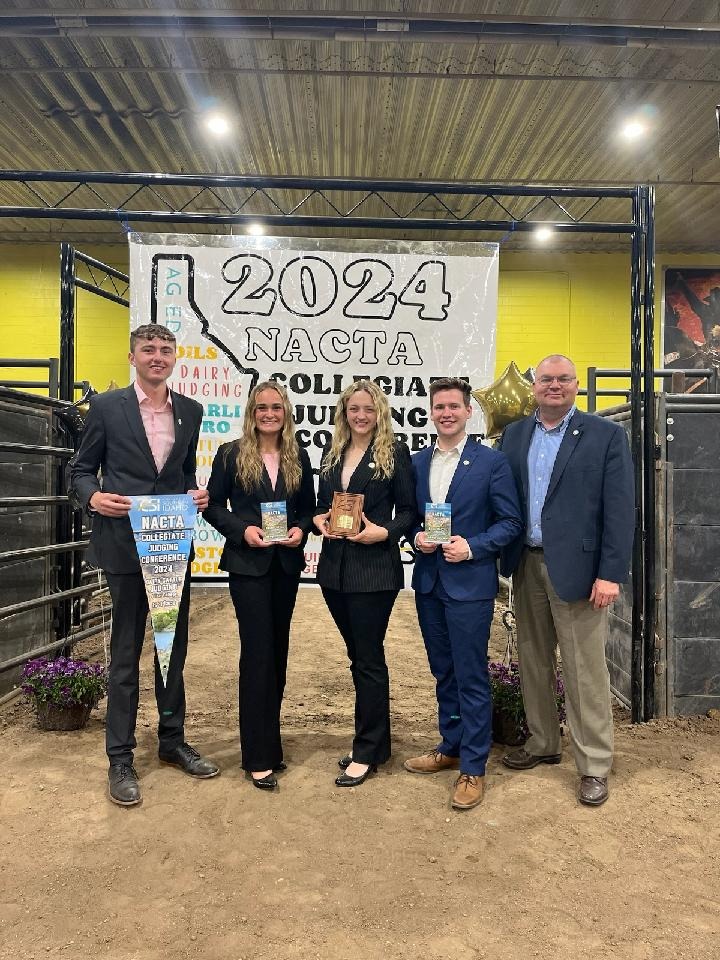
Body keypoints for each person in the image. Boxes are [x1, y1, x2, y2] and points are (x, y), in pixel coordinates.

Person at [68, 322, 217, 807]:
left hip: (171, 547)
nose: (157, 356)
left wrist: (196, 494)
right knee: (126, 652)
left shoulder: (191, 411)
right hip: (123, 549)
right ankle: (120, 757)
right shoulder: (107, 408)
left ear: (175, 357)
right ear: (132, 357)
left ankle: (172, 742)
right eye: (148, 349)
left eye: (165, 349)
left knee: (171, 648)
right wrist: (93, 497)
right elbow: (80, 469)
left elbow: (184, 470)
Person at [498, 354, 635, 807]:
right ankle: (542, 743)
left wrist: (610, 573)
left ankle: (594, 763)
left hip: (579, 571)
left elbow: (620, 511)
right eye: (545, 380)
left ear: (576, 385)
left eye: (562, 379)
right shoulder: (515, 435)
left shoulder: (605, 436)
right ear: (534, 387)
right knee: (533, 659)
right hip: (526, 564)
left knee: (584, 670)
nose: (553, 386)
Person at [404, 377, 523, 811]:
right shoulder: (417, 464)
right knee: (443, 671)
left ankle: (473, 766)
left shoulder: (491, 463)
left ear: (468, 411)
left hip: (470, 585)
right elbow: (410, 518)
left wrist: (472, 546)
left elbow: (510, 523)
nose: (446, 413)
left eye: (454, 406)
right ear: (431, 412)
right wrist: (415, 537)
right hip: (429, 583)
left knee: (471, 675)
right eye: (439, 407)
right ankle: (451, 745)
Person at [203, 381, 315, 790]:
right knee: (257, 653)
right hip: (248, 565)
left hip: (284, 564)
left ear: (286, 411)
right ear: (252, 411)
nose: (269, 414)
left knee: (278, 652)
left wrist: (302, 531)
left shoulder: (297, 455)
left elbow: (307, 509)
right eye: (262, 407)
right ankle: (256, 755)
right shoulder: (230, 453)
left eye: (276, 407)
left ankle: (272, 745)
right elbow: (213, 506)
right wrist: (242, 530)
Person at [313, 380, 416, 788]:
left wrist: (385, 532)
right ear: (344, 411)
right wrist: (320, 520)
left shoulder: (395, 453)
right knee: (358, 658)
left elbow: (409, 512)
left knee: (369, 660)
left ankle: (367, 751)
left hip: (374, 570)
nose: (361, 416)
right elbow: (323, 505)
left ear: (380, 413)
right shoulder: (331, 451)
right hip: (334, 570)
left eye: (368, 410)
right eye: (354, 409)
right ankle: (377, 744)